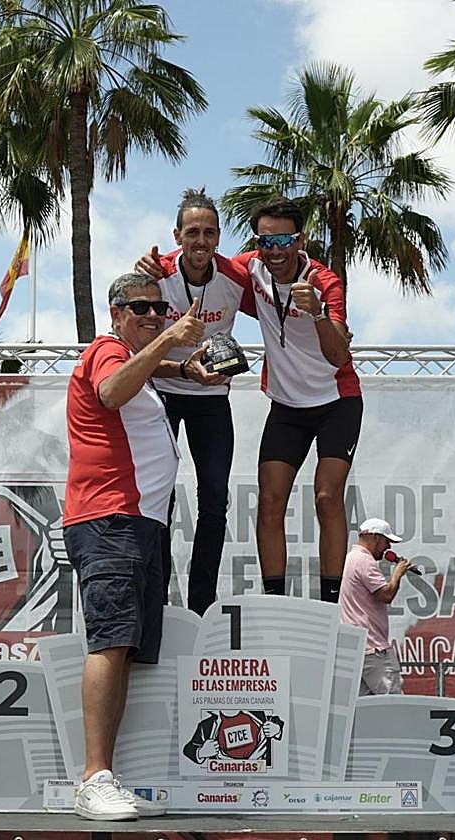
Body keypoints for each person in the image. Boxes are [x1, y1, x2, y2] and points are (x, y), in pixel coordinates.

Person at [140, 197, 359, 602]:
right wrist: (153, 266)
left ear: (300, 241)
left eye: (284, 241)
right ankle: (272, 601)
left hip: (333, 399)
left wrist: (318, 313)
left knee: (326, 497)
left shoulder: (322, 280)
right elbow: (194, 260)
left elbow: (338, 355)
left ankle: (329, 603)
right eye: (265, 242)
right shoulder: (246, 271)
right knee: (267, 500)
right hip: (278, 405)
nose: (275, 251)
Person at [63, 272, 202, 820]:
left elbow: (140, 372)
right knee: (110, 643)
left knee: (127, 651)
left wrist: (183, 367)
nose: (151, 315)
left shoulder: (134, 360)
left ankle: (108, 775)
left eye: (159, 309)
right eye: (139, 307)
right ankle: (93, 777)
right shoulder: (106, 350)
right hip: (109, 519)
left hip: (140, 522)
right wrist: (170, 341)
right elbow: (110, 390)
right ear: (115, 313)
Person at [147, 188, 244, 615]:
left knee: (215, 499)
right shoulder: (156, 276)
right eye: (192, 233)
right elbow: (131, 338)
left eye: (208, 233)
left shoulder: (235, 277)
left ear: (218, 237)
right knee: (159, 498)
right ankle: (158, 599)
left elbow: (277, 291)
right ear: (177, 236)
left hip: (211, 397)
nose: (200, 241)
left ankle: (202, 603)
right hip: (164, 393)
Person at [339, 518, 412, 695]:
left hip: (355, 648)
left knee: (364, 705)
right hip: (373, 649)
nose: (388, 547)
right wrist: (397, 574)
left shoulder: (350, 559)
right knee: (391, 702)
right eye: (386, 541)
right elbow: (386, 594)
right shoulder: (364, 561)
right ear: (375, 537)